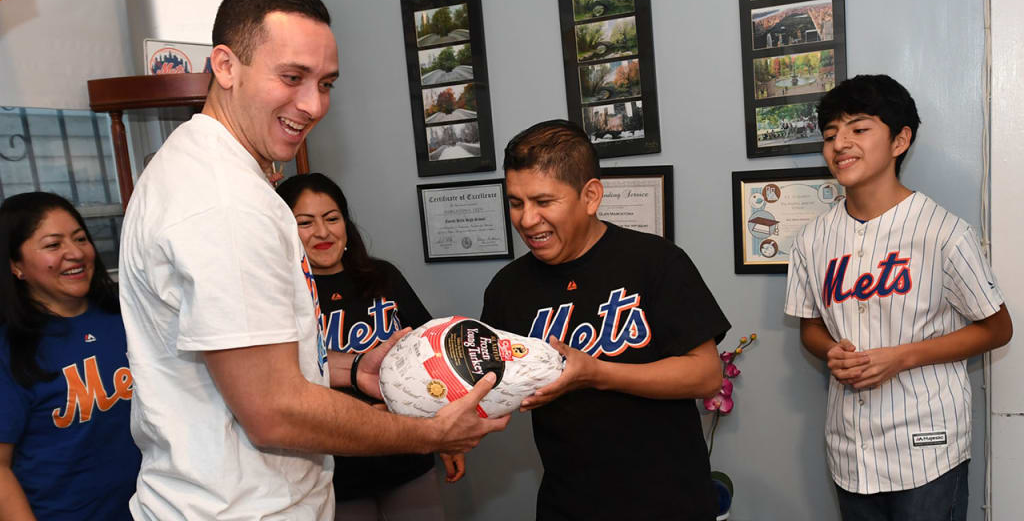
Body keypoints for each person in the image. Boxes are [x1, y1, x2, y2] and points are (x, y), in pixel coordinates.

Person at [118, 0, 507, 521]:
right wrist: (427, 431)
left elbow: (246, 369)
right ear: (225, 66)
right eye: (292, 77)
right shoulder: (223, 203)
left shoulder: (202, 170)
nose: (313, 104)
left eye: (326, 83)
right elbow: (274, 411)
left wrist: (350, 371)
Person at [784, 74, 1013, 521]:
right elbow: (809, 327)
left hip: (927, 452)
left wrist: (902, 357)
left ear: (900, 139)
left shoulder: (945, 232)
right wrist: (831, 349)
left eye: (858, 128)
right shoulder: (812, 240)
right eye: (830, 134)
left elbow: (997, 328)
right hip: (850, 449)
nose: (840, 143)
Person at [480, 119, 731, 521]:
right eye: (515, 202)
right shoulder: (507, 288)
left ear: (591, 196)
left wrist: (597, 373)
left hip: (670, 500)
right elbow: (493, 388)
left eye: (544, 202)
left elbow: (705, 375)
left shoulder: (656, 262)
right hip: (569, 503)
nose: (527, 220)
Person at [277, 173, 465, 520]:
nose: (322, 232)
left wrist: (443, 434)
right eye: (305, 222)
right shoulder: (280, 294)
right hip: (334, 470)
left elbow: (430, 354)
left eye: (332, 218)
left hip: (406, 454)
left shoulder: (383, 277)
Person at [0, 192, 140, 520]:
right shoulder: (12, 350)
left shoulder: (128, 315)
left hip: (155, 508)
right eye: (53, 245)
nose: (75, 253)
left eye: (80, 238)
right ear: (16, 265)